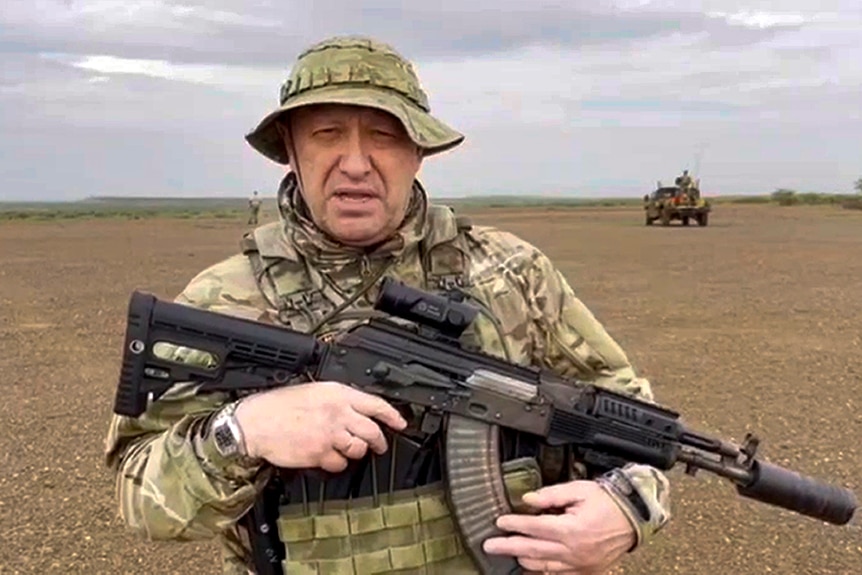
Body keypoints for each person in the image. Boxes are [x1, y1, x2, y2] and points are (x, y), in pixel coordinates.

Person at [105, 35, 672, 575]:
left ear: (417, 151)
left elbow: (625, 416)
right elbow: (141, 499)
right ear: (291, 152)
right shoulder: (226, 300)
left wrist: (628, 508)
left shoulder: (512, 273)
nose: (356, 162)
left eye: (384, 135)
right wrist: (243, 430)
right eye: (327, 133)